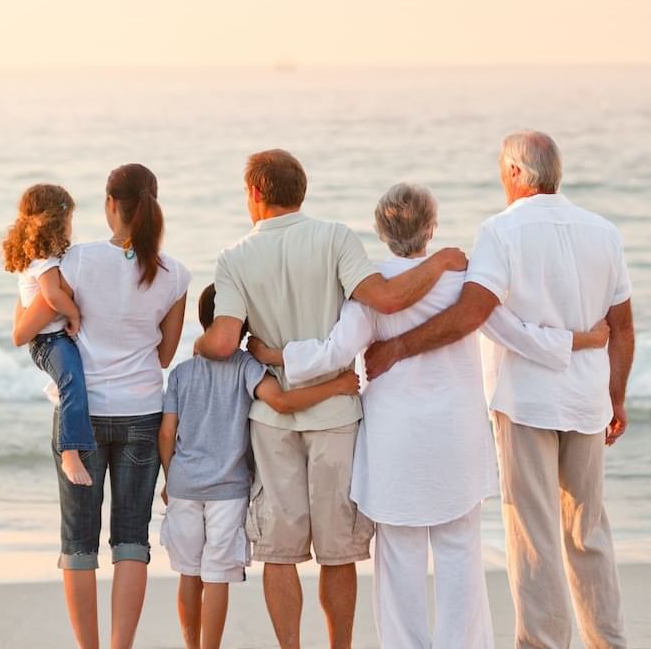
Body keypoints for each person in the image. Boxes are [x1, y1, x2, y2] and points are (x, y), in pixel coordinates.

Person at [249, 183, 611, 649]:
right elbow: (516, 334)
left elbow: (333, 351)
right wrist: (578, 341)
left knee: (399, 562)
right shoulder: (462, 282)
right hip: (454, 437)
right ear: (432, 228)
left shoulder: (371, 292)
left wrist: (272, 355)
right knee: (460, 556)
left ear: (381, 232)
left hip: (395, 442)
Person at [365, 132, 635, 649]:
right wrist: (615, 395)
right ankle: (609, 642)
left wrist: (398, 349)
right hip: (587, 402)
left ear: (515, 172)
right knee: (589, 532)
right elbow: (622, 327)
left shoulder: (500, 231)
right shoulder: (604, 231)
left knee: (533, 534)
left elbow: (474, 313)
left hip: (526, 401)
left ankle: (542, 644)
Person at [193, 149, 467, 649]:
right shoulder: (336, 237)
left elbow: (225, 341)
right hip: (337, 416)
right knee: (337, 550)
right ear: (302, 190)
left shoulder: (233, 257)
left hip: (273, 421)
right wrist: (445, 261)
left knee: (280, 551)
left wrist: (197, 345)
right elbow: (385, 299)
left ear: (255, 193)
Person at [13, 163, 191, 649]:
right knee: (132, 539)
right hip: (141, 413)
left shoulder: (75, 261)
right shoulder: (176, 274)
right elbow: (165, 354)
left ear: (110, 205)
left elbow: (28, 326)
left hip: (81, 416)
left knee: (78, 541)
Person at [158, 284, 360, 649]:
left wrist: (170, 478)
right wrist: (338, 386)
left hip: (184, 486)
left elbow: (167, 433)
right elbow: (281, 402)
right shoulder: (245, 367)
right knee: (215, 576)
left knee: (189, 575)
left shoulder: (180, 373)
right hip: (227, 491)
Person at [2, 183, 95, 486]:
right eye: (70, 222)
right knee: (72, 384)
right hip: (49, 340)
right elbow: (53, 296)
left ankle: (72, 447)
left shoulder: (36, 258)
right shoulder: (46, 262)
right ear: (57, 222)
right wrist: (74, 313)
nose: (72, 228)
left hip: (48, 338)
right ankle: (69, 451)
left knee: (72, 383)